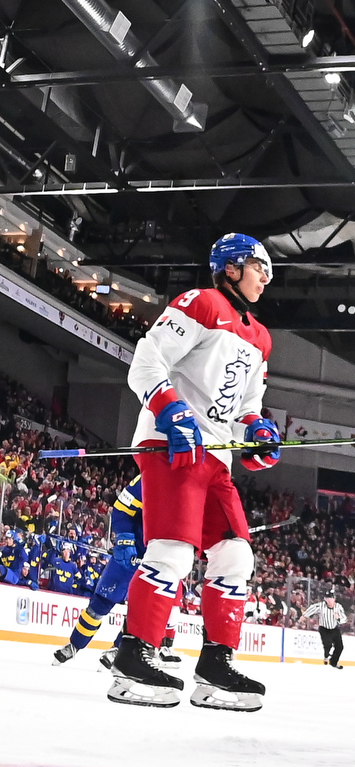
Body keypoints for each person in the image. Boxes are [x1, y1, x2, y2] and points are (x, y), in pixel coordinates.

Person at [106, 233, 279, 712]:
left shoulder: (262, 338)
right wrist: (170, 410)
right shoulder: (200, 303)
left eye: (268, 271)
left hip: (216, 460)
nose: (266, 277)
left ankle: (215, 667)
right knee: (173, 552)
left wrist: (258, 434)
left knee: (235, 556)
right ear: (231, 267)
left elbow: (248, 407)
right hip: (172, 448)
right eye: (258, 267)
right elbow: (146, 360)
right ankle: (132, 657)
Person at [52, 474, 144, 666]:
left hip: (159, 557)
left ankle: (119, 649)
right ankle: (74, 645)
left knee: (142, 611)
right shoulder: (150, 477)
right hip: (131, 552)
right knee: (100, 602)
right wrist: (125, 540)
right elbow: (121, 509)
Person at [302, 589, 348, 668]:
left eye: (331, 598)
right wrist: (304, 616)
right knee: (328, 644)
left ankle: (334, 662)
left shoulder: (338, 607)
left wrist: (338, 619)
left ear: (334, 599)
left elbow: (344, 618)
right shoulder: (321, 605)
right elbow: (312, 608)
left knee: (340, 647)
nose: (330, 600)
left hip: (334, 628)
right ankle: (326, 656)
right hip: (324, 628)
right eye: (328, 599)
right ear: (325, 599)